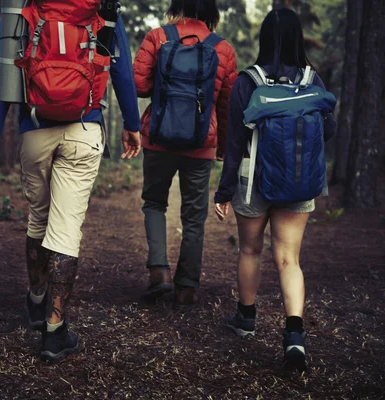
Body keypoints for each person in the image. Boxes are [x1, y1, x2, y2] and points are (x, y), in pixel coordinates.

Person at [0, 2, 141, 362]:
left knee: (39, 218)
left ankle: (35, 301)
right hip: (85, 126)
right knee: (65, 229)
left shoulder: (21, 7)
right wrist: (132, 124)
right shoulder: (103, 6)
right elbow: (121, 70)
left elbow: (0, 79)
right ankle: (55, 328)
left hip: (34, 129)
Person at [214, 8, 337, 370]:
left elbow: (235, 142)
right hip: (299, 180)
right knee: (289, 259)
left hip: (253, 182)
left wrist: (223, 191)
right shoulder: (314, 80)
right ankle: (295, 335)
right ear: (300, 40)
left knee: (250, 250)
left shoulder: (248, 81)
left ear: (263, 39)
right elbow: (328, 131)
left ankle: (246, 318)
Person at [133, 0, 237, 309]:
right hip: (201, 143)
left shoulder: (158, 37)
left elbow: (139, 85)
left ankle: (159, 271)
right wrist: (221, 145)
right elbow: (227, 104)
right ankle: (186, 288)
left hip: (159, 138)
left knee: (154, 202)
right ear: (212, 12)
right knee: (194, 218)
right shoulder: (223, 48)